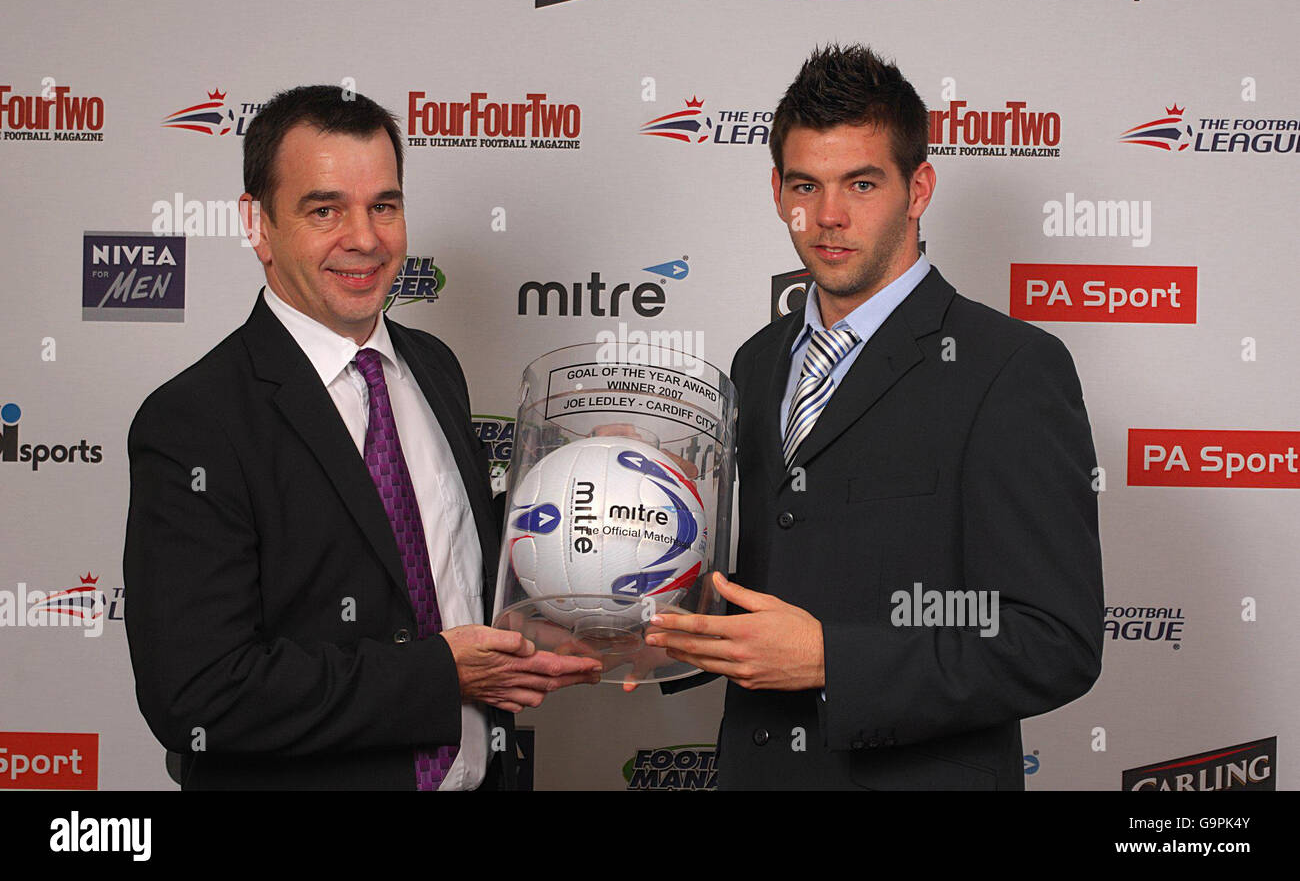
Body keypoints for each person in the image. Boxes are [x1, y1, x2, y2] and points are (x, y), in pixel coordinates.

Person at [648, 45, 1105, 788]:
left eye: (862, 183)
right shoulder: (757, 362)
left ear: (918, 187)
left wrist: (832, 659)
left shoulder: (1010, 368)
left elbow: (1055, 641)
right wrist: (652, 625)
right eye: (807, 185)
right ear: (776, 189)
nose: (828, 217)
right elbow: (763, 578)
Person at [123, 85, 602, 790]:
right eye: (325, 210)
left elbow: (453, 569)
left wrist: (602, 494)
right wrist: (441, 674)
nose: (366, 237)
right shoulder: (195, 421)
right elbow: (199, 692)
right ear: (256, 225)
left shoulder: (434, 368)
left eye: (385, 204)